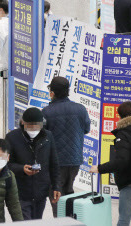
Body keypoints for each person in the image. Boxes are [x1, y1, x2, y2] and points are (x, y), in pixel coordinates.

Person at [42, 76, 90, 216]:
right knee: (69, 191)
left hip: (56, 162)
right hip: (75, 160)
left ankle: (61, 221)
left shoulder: (46, 112)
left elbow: (42, 137)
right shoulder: (80, 109)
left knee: (56, 194)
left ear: (52, 92)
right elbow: (86, 129)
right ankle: (71, 219)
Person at [6, 108, 61, 220]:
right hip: (20, 192)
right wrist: (22, 169)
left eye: (37, 125)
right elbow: (6, 164)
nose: (33, 129)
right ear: (22, 122)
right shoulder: (11, 137)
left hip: (40, 192)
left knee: (36, 221)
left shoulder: (48, 137)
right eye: (30, 125)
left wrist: (56, 186)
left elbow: (54, 163)